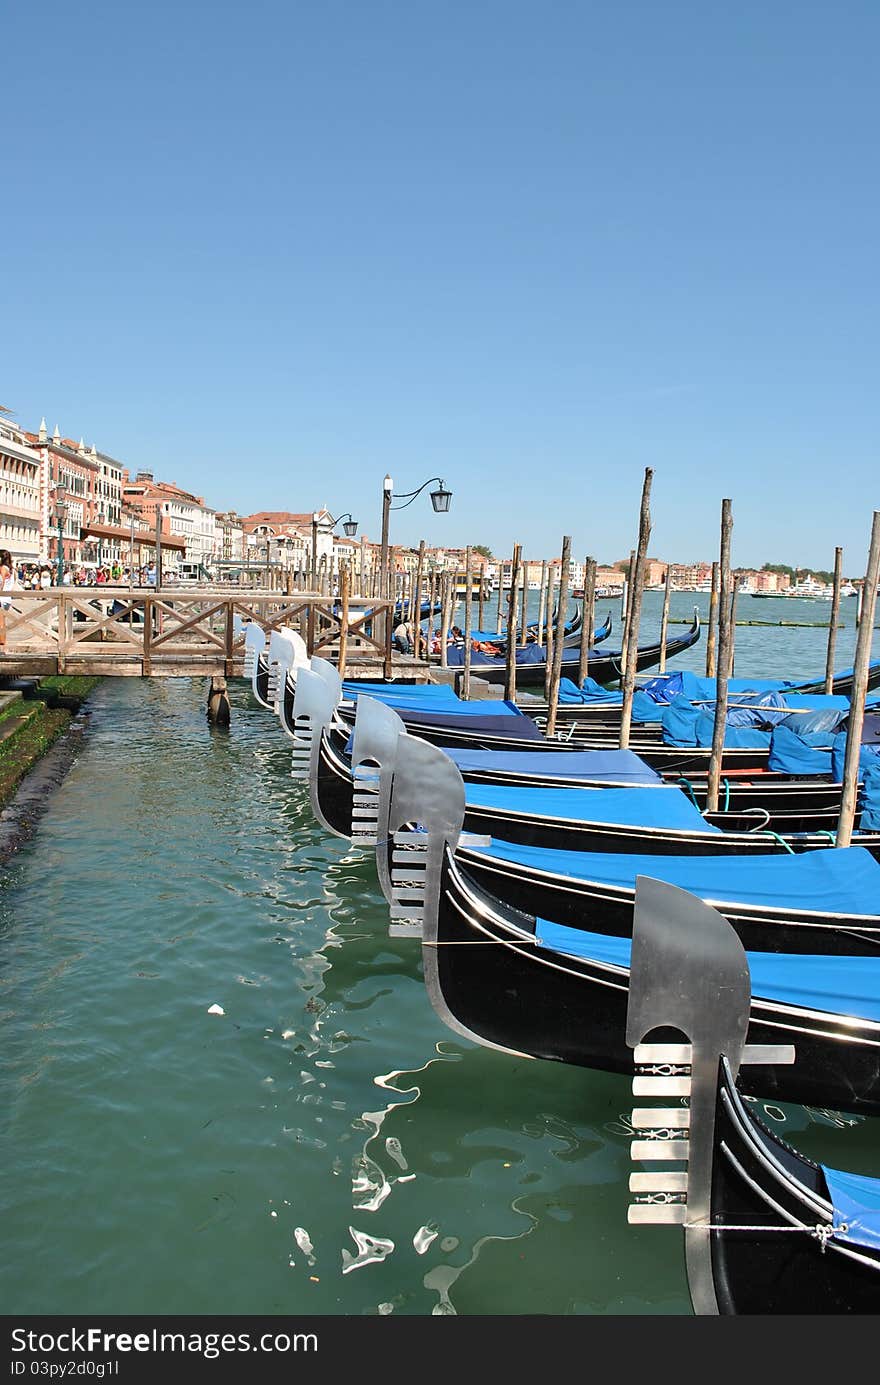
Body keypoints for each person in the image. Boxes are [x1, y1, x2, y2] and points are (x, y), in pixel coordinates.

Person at [0, 548, 14, 651]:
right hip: (7, 598)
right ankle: (2, 641)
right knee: (2, 622)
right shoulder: (11, 569)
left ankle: (2, 642)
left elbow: (1, 583)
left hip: (2, 598)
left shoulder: (3, 569)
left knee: (1, 622)